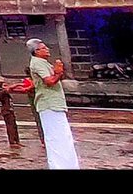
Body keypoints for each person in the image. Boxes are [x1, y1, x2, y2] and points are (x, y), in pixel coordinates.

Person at [27, 38, 80, 169]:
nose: (47, 49)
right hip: (49, 104)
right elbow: (49, 81)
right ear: (36, 51)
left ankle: (69, 165)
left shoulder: (43, 62)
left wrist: (58, 72)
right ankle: (60, 166)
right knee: (56, 138)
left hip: (54, 103)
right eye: (44, 48)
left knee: (63, 136)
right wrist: (58, 73)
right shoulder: (37, 63)